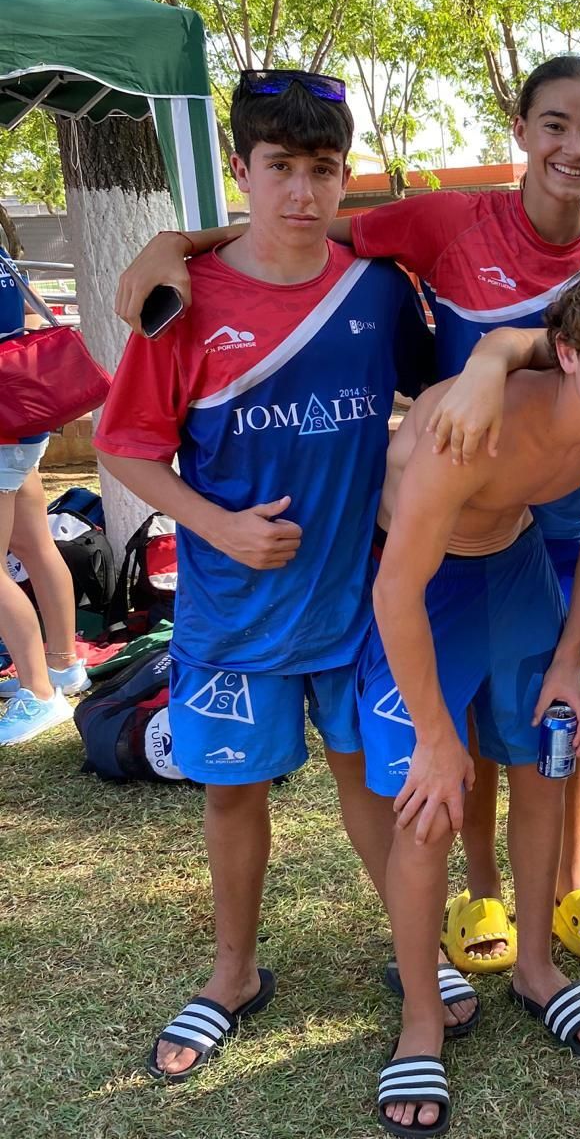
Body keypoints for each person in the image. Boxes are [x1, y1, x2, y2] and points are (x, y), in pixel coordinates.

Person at [112, 55, 580, 971]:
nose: (573, 146)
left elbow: (483, 364)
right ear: (520, 130)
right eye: (554, 125)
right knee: (413, 740)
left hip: (526, 534)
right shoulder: (438, 224)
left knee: (531, 727)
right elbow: (311, 230)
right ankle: (445, 911)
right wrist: (176, 243)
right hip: (384, 551)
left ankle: (550, 897)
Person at [93, 70, 447, 1082]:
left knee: (369, 791)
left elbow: (439, 387)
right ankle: (233, 973)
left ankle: (414, 957)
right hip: (235, 611)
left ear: (346, 177)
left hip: (359, 605)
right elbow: (125, 448)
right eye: (279, 167)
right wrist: (218, 526)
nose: (301, 190)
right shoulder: (182, 298)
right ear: (240, 169)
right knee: (233, 794)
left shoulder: (376, 290)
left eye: (322, 169)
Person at [358, 251, 580, 1136]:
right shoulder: (475, 428)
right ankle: (421, 1022)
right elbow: (395, 591)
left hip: (513, 570)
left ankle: (537, 968)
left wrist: (568, 661)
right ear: (570, 352)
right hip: (423, 584)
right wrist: (438, 737)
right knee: (428, 800)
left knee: (547, 755)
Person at [0, 244, 87, 744]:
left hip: (4, 426)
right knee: (34, 544)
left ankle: (38, 692)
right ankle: (61, 667)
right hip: (22, 420)